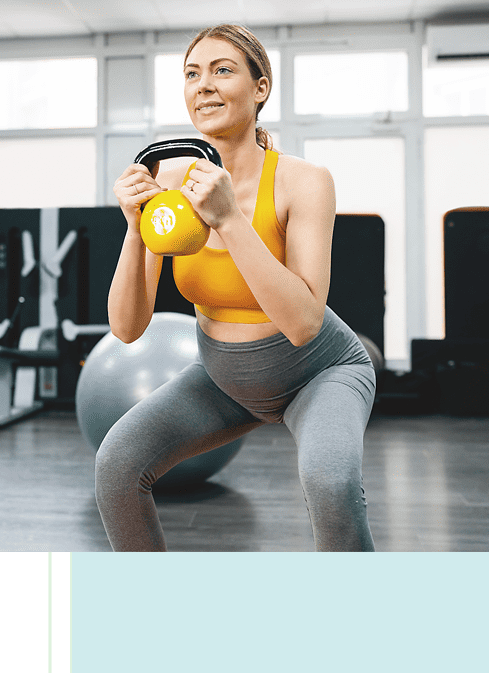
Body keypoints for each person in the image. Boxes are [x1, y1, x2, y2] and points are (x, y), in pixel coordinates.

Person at [97, 23, 376, 551]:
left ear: (260, 88)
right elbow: (126, 328)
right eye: (192, 74)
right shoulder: (172, 179)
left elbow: (303, 323)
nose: (204, 85)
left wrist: (229, 220)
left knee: (330, 482)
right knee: (116, 465)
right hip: (225, 378)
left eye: (222, 70)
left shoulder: (304, 181)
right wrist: (134, 230)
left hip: (320, 371)